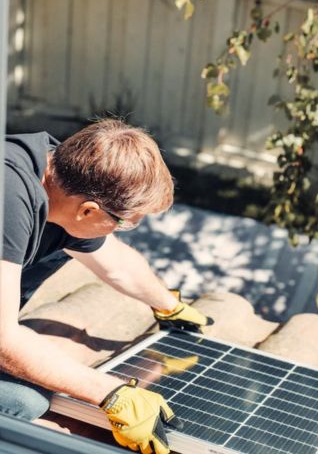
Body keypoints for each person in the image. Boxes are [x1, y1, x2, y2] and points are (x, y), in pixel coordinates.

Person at [0, 118, 212, 454]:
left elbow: (115, 264)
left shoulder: (60, 173)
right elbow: (3, 340)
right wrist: (112, 393)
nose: (118, 231)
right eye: (124, 224)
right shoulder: (7, 200)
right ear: (88, 210)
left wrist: (168, 305)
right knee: (24, 401)